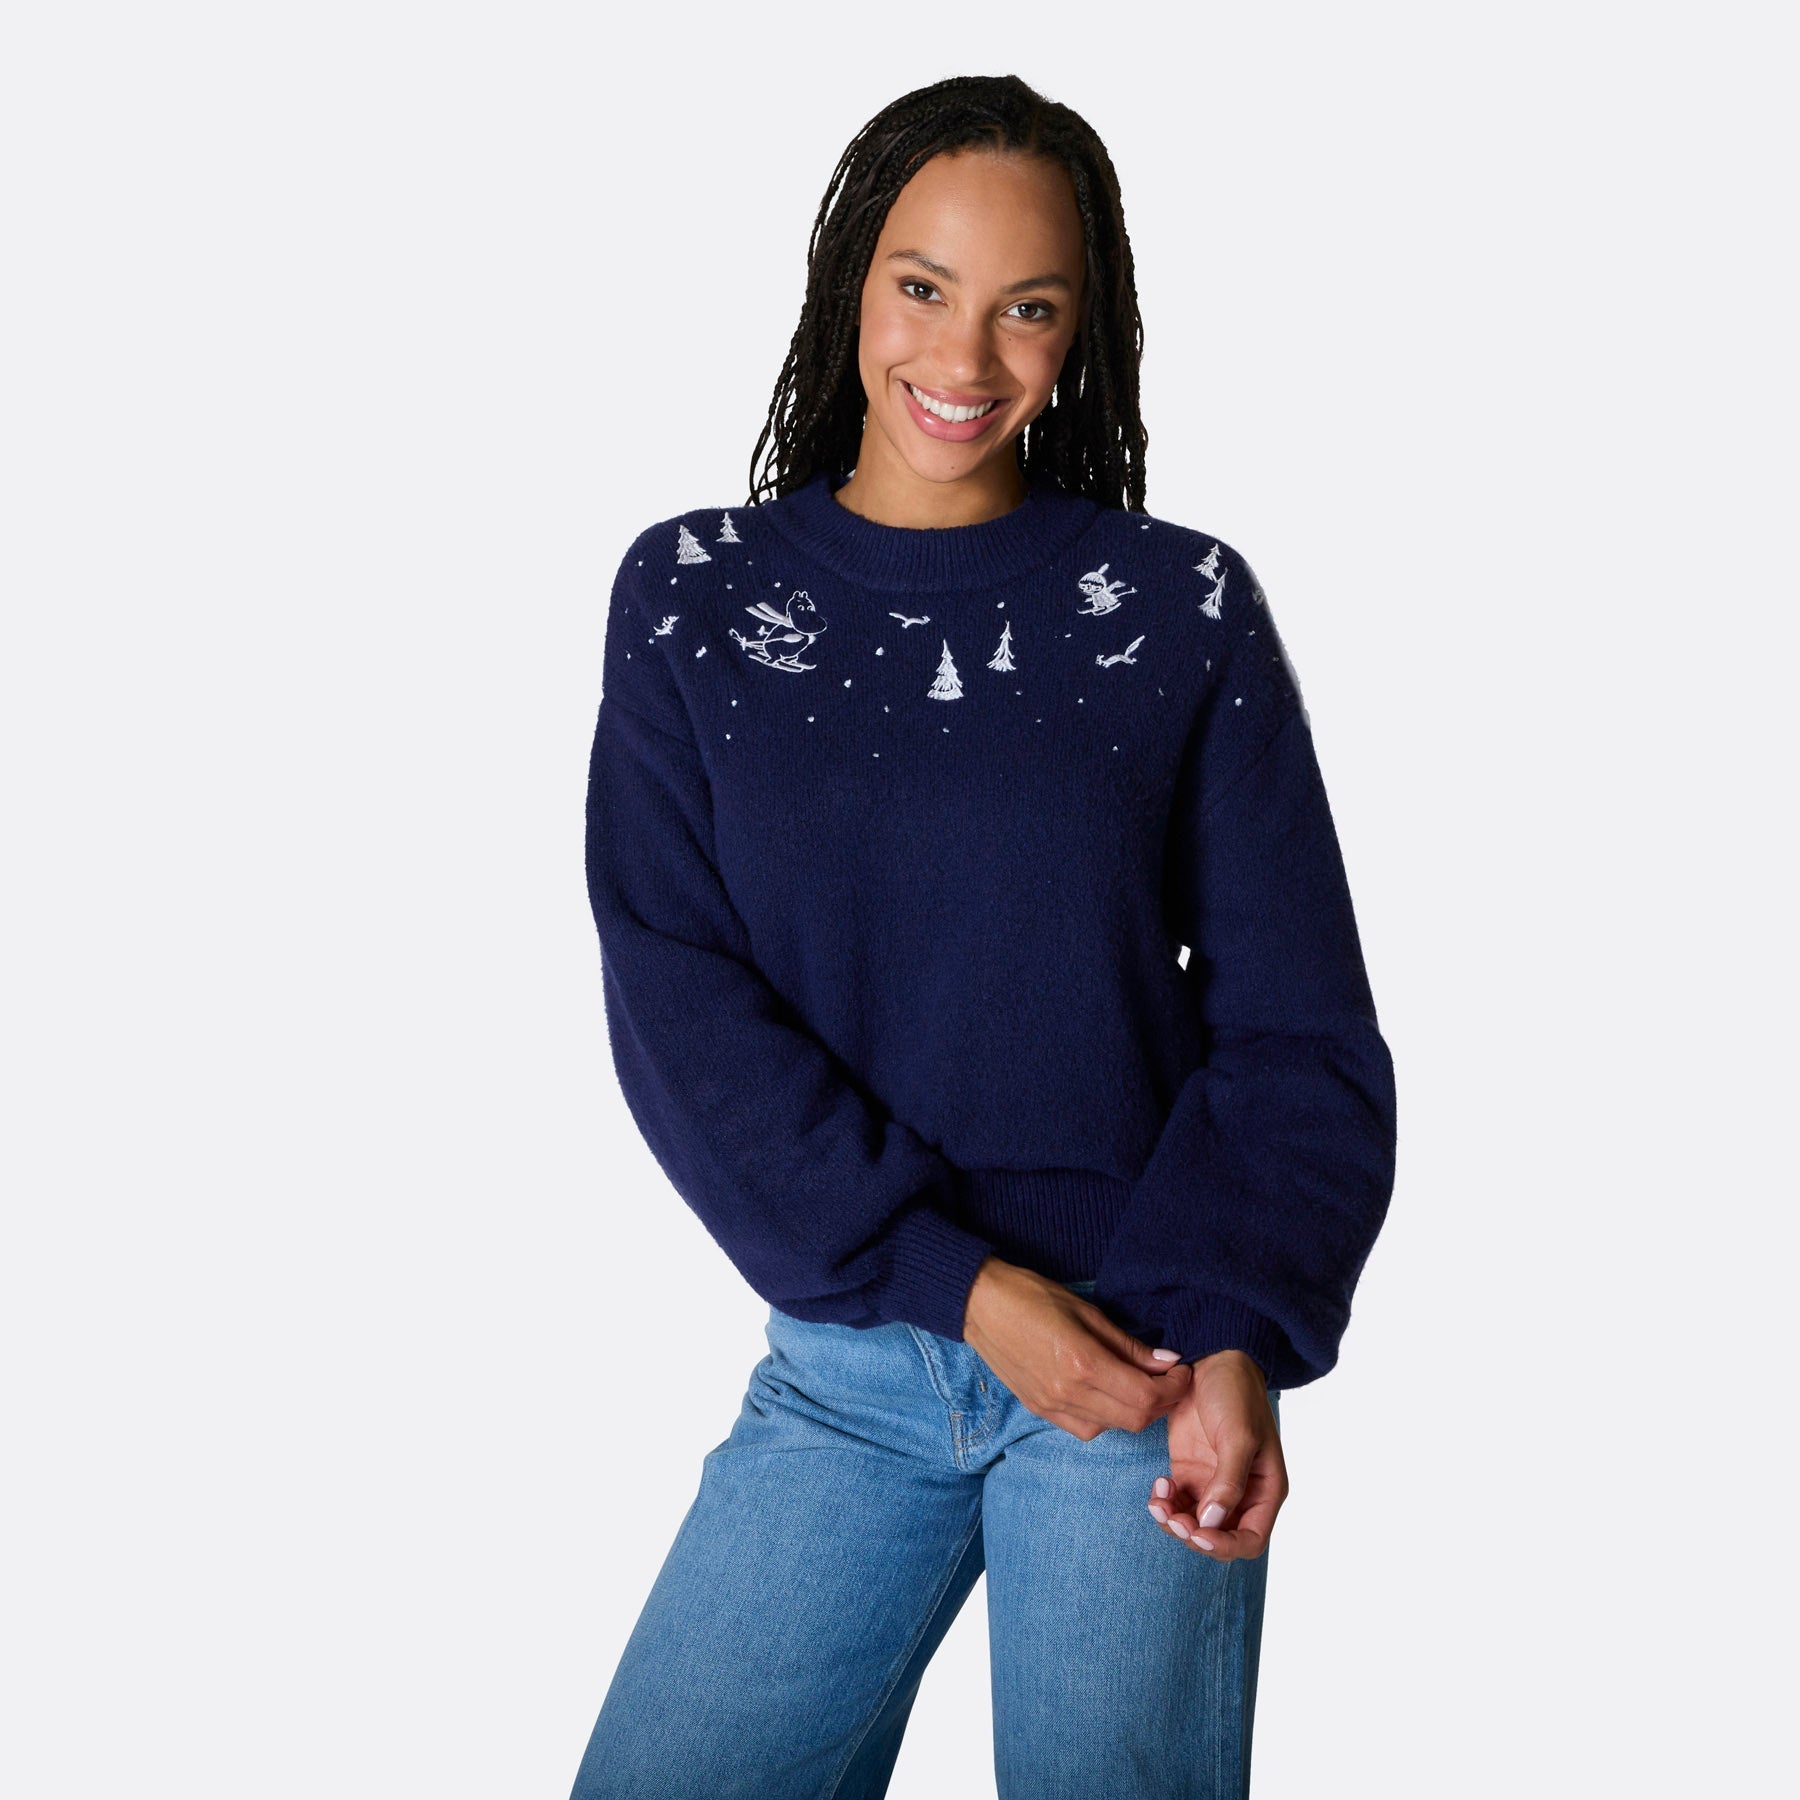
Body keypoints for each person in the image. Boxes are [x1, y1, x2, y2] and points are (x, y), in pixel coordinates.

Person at [569, 73, 1397, 1800]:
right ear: (850, 287)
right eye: (924, 286)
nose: (966, 353)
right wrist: (950, 1284)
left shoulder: (1179, 606)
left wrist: (1235, 1332)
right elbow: (677, 1000)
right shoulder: (694, 595)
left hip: (1147, 1360)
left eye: (1029, 307)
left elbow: (1296, 1022)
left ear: (1082, 333)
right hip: (849, 1366)